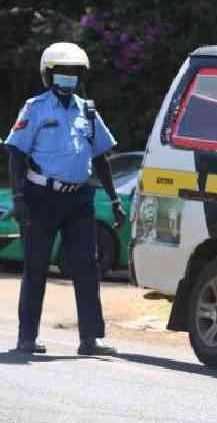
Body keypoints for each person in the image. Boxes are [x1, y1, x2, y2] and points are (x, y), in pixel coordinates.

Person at [5, 42, 124, 356]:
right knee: (36, 267)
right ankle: (27, 338)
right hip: (40, 197)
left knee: (87, 267)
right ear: (48, 75)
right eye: (61, 71)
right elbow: (16, 154)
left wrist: (115, 201)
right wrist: (18, 197)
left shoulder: (88, 111)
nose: (68, 76)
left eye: (73, 72)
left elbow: (101, 158)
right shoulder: (35, 108)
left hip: (79, 199)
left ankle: (91, 339)